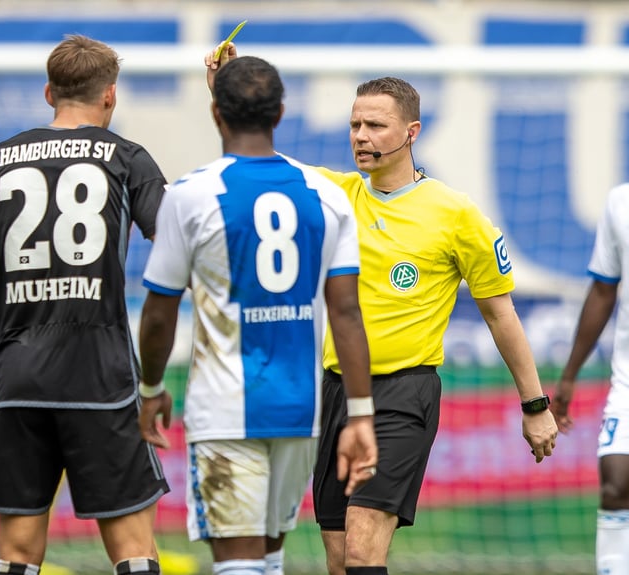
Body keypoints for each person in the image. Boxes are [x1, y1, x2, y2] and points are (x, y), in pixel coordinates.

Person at [205, 48, 558, 575]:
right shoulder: (338, 194)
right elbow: (261, 163)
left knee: (363, 549)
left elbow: (500, 314)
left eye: (375, 125)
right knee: (337, 554)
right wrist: (224, 92)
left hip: (402, 394)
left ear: (411, 132)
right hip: (335, 392)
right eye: (354, 124)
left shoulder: (455, 214)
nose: (361, 136)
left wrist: (535, 406)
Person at [137, 55, 379, 575]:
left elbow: (159, 311)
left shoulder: (188, 195)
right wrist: (360, 413)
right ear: (281, 113)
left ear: (215, 112)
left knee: (239, 561)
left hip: (226, 409)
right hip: (299, 410)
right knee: (269, 557)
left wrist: (150, 388)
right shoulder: (327, 195)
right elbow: (347, 313)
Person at [0, 35, 170, 575]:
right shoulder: (127, 158)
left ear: (49, 92)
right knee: (133, 545)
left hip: (17, 376)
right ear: (110, 97)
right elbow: (174, 243)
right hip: (101, 374)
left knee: (19, 552)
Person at [553, 182, 629, 575]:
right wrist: (569, 376)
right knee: (616, 484)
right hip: (628, 383)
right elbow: (603, 290)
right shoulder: (620, 202)